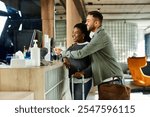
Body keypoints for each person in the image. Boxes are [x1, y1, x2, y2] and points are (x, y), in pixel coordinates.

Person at [55, 11, 123, 99]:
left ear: (96, 23)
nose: (86, 23)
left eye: (88, 21)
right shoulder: (96, 36)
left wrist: (62, 52)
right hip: (106, 80)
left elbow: (81, 53)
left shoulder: (101, 36)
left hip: (111, 80)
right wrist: (65, 57)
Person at [62, 23, 92, 100]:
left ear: (83, 35)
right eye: (73, 32)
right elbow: (65, 54)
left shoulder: (89, 47)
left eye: (76, 33)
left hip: (84, 80)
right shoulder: (73, 46)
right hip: (73, 79)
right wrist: (65, 59)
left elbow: (94, 64)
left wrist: (83, 73)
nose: (73, 35)